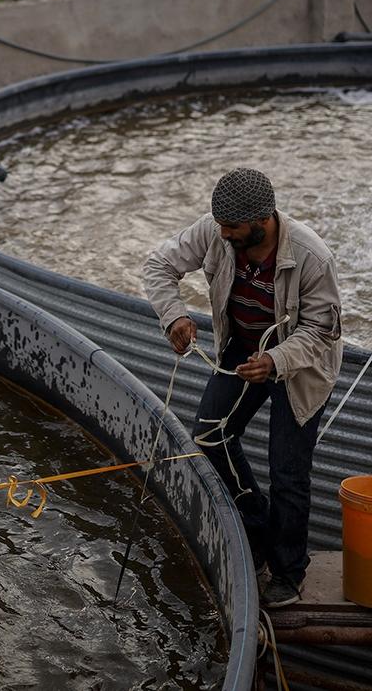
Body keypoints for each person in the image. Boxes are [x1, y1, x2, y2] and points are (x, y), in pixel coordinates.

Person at [141, 167, 342, 608]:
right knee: (209, 435)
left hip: (298, 367)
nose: (223, 234)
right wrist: (173, 315)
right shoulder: (217, 231)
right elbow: (158, 263)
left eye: (232, 228)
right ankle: (255, 527)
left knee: (288, 472)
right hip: (242, 349)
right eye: (220, 225)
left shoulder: (312, 256)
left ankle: (289, 572)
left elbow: (322, 331)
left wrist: (275, 361)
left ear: (263, 219)